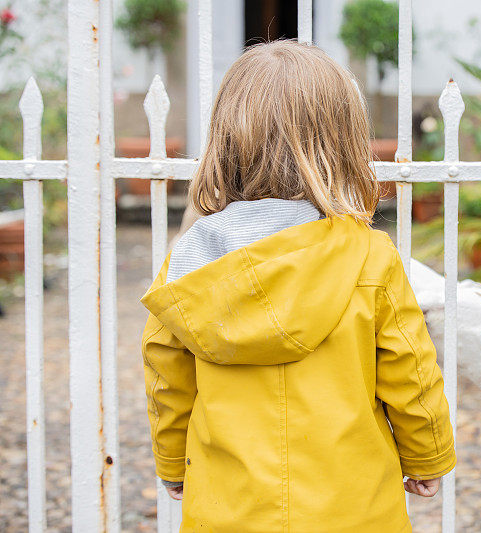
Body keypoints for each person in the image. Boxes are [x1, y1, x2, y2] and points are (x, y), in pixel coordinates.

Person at [139, 41, 455, 532]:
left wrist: (172, 460)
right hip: (354, 508)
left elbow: (166, 377)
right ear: (342, 142)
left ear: (225, 140)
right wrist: (427, 454)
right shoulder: (369, 257)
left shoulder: (189, 263)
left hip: (229, 508)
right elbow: (411, 371)